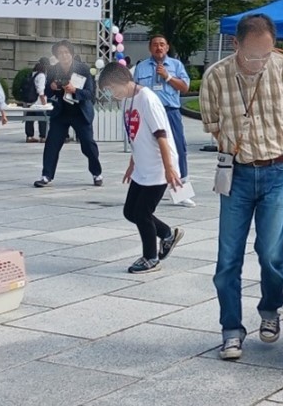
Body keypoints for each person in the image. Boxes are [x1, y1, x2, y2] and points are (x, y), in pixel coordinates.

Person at [199, 13, 283, 361]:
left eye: (266, 54)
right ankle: (231, 330)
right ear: (235, 44)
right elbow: (212, 124)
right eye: (251, 55)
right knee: (227, 258)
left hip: (278, 170)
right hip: (238, 173)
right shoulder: (216, 76)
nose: (259, 63)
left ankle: (270, 309)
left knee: (271, 251)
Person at [99, 62, 185, 274]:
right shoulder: (127, 100)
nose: (111, 94)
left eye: (110, 89)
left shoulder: (147, 98)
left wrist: (169, 168)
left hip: (158, 167)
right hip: (142, 166)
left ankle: (151, 258)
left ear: (121, 81)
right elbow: (136, 135)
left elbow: (161, 135)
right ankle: (166, 234)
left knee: (142, 213)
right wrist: (131, 164)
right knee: (130, 211)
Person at [132, 35, 195, 206]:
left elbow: (185, 87)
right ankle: (147, 189)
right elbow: (135, 90)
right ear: (149, 47)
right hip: (148, 114)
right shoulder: (142, 67)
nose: (158, 48)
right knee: (147, 150)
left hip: (170, 112)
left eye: (162, 45)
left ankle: (181, 193)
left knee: (179, 151)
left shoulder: (176, 65)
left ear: (167, 47)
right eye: (155, 45)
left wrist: (167, 77)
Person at [34, 40, 103, 188]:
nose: (64, 55)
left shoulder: (82, 69)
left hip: (80, 111)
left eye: (66, 52)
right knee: (52, 143)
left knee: (88, 144)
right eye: (60, 53)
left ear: (71, 53)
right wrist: (52, 87)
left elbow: (90, 94)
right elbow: (45, 91)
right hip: (61, 112)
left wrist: (75, 90)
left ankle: (97, 173)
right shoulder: (53, 70)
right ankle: (46, 175)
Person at [23, 57, 49, 144]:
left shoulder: (33, 74)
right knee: (42, 119)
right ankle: (43, 136)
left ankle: (29, 136)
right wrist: (44, 103)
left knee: (29, 118)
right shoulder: (41, 75)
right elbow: (40, 90)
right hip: (38, 102)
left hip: (30, 100)